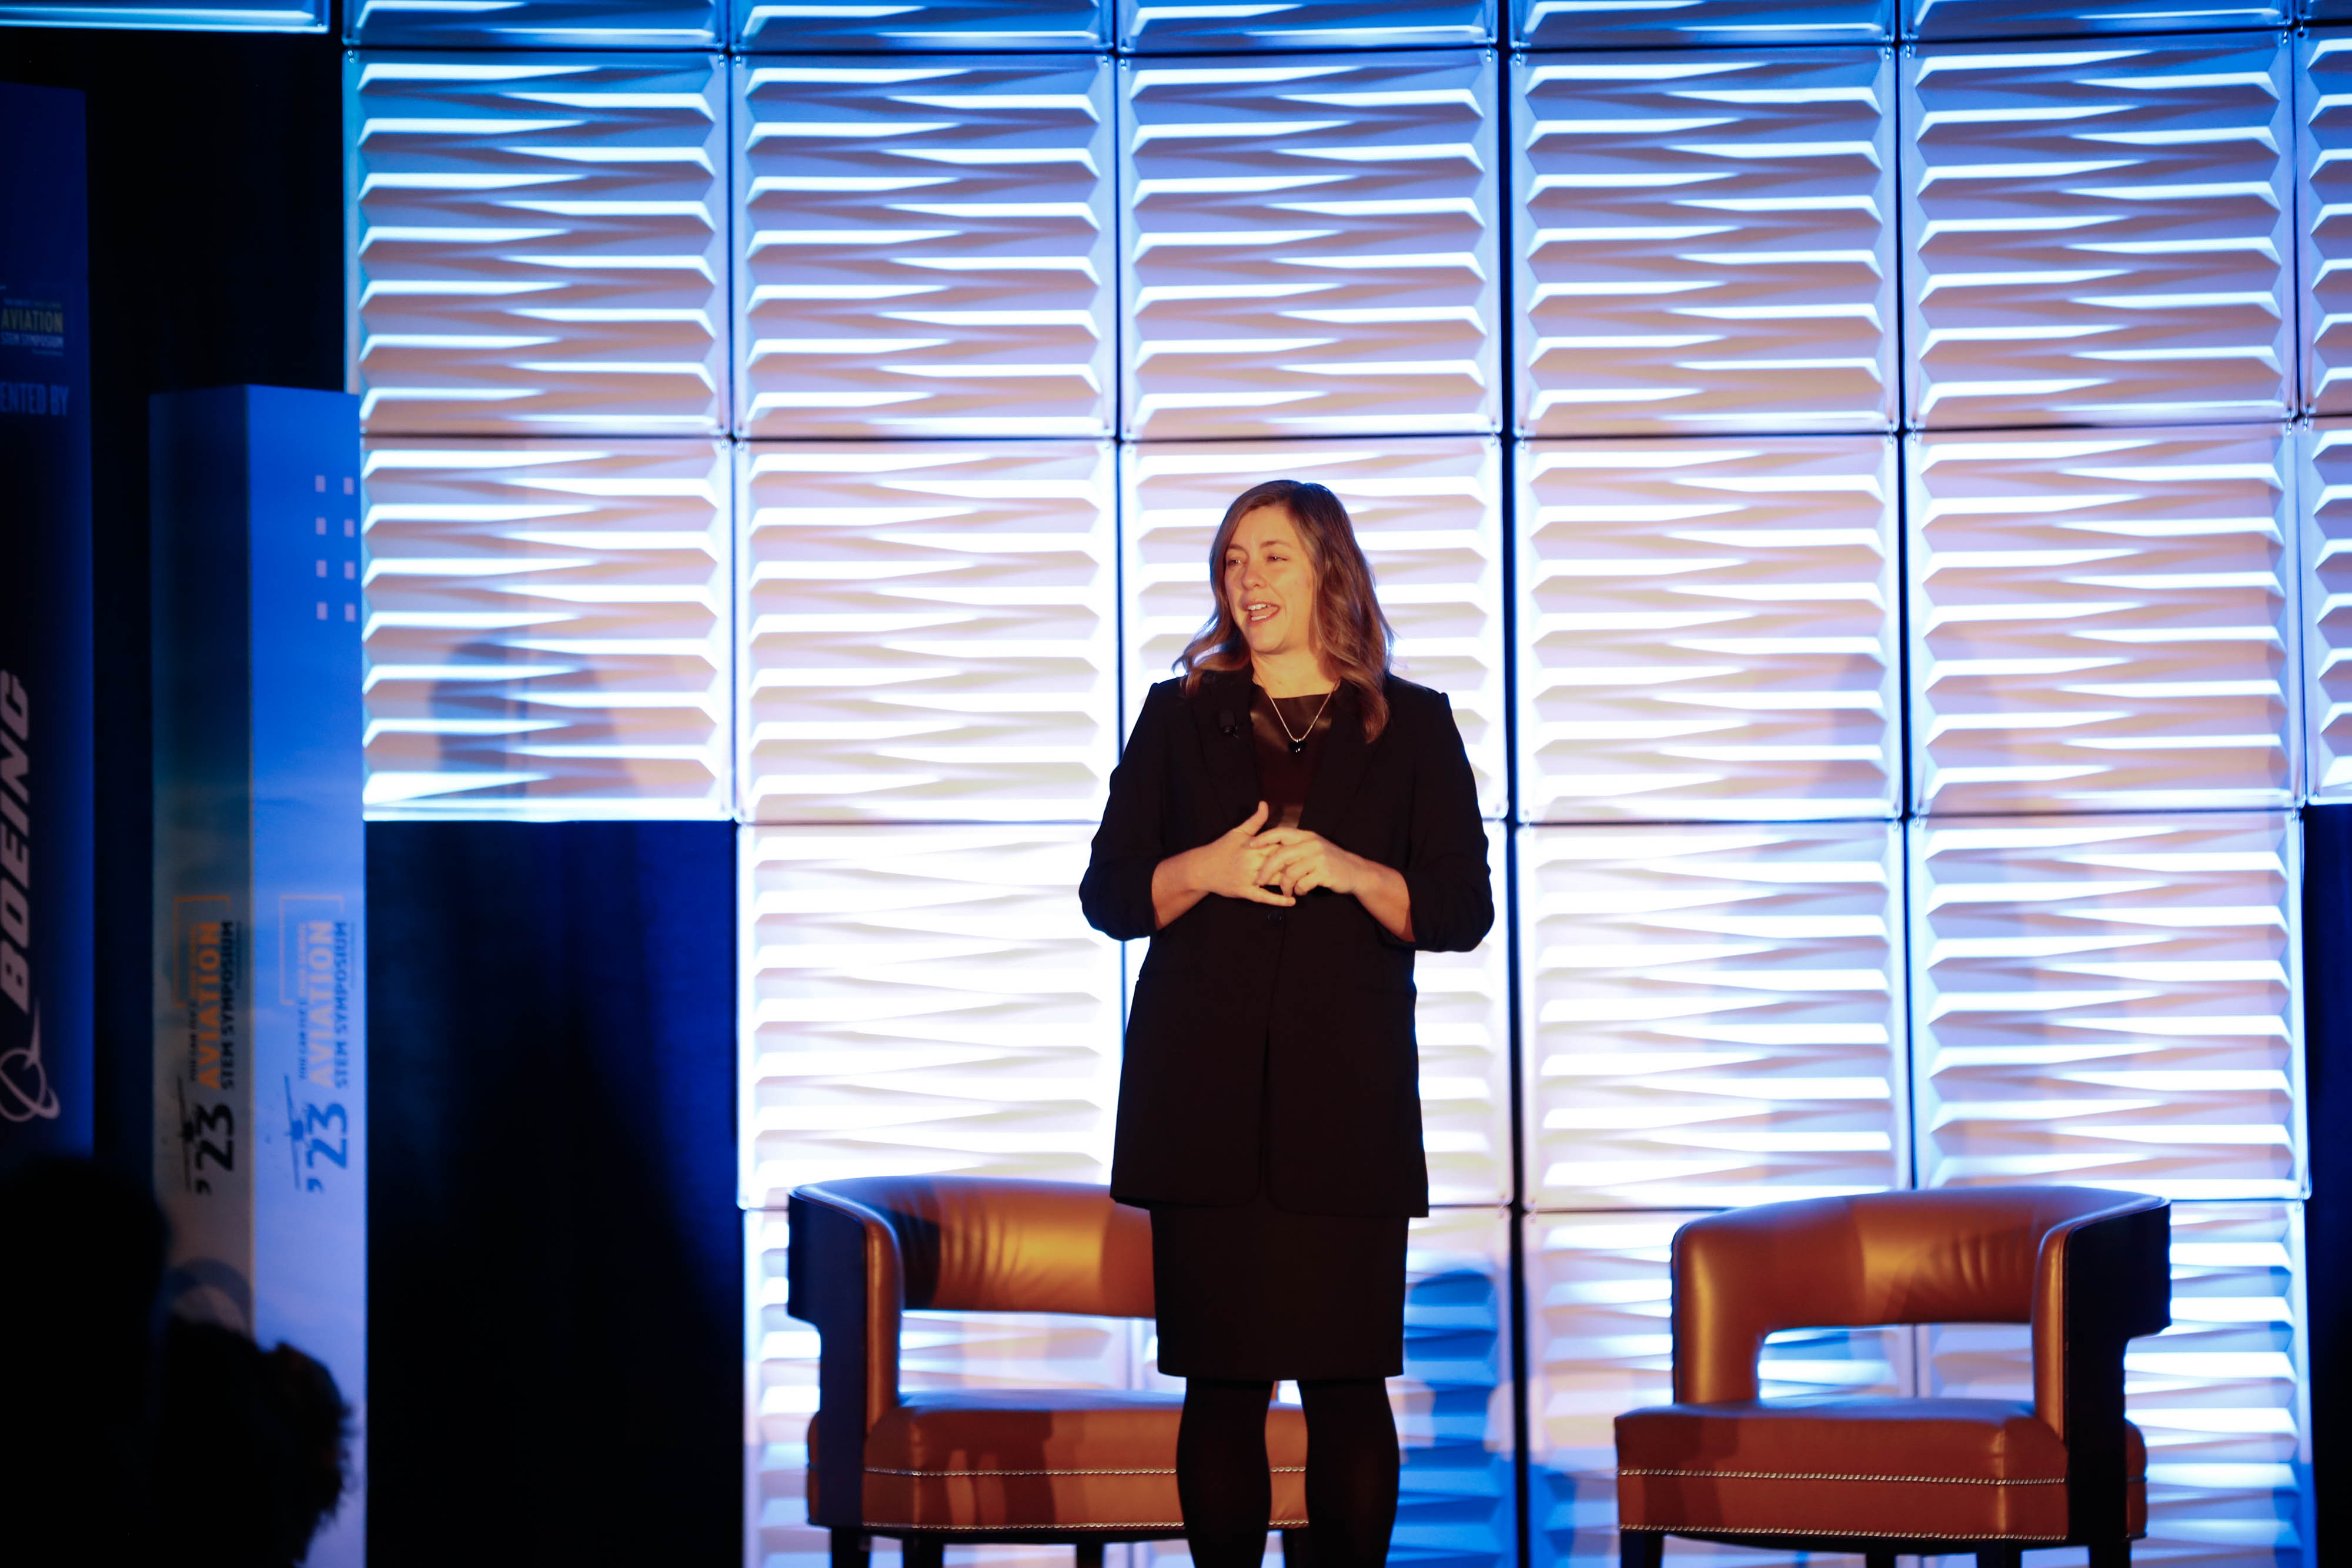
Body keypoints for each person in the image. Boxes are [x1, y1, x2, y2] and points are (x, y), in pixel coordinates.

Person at [1080, 479, 1493, 1568]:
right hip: (1200, 1097)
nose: (1247, 581)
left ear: (1327, 571)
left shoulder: (1412, 724)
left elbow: (1460, 913)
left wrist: (1353, 871)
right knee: (1222, 1388)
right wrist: (1204, 869)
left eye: (1271, 558)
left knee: (1347, 1385)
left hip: (1344, 1104)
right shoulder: (1180, 714)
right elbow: (1110, 895)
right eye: (1231, 561)